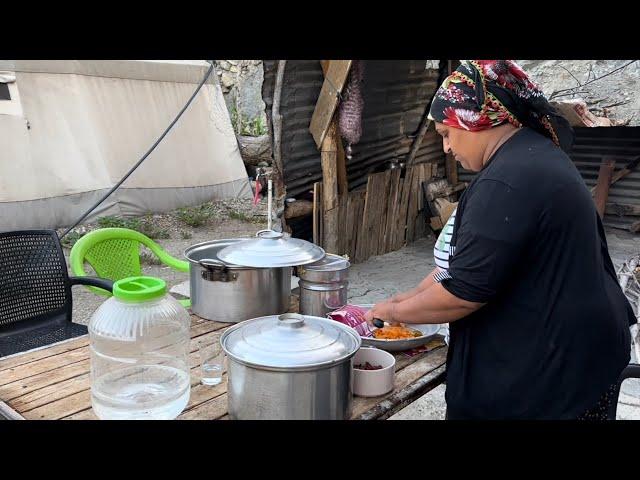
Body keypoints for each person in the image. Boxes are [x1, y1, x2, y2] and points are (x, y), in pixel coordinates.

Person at [364, 60, 634, 419]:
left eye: (447, 133)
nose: (446, 148)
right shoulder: (532, 156)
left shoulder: (505, 181)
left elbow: (462, 293)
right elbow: (466, 266)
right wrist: (408, 298)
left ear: (477, 118)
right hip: (585, 350)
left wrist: (394, 312)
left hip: (557, 370)